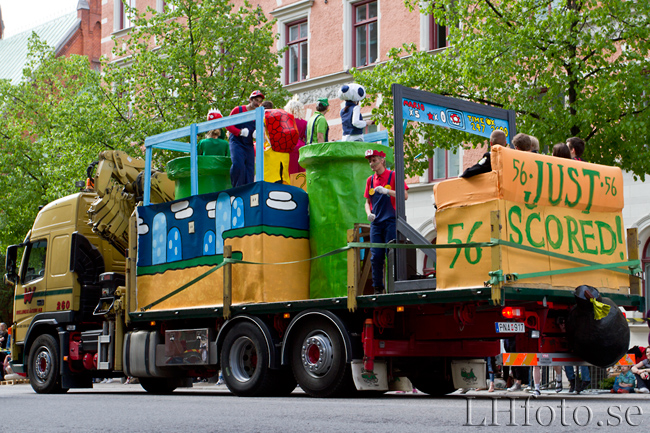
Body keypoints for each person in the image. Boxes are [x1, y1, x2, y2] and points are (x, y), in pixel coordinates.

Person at [364, 149, 409, 294]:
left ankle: (395, 286)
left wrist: (387, 191)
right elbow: (366, 201)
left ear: (382, 160)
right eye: (370, 161)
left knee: (392, 254)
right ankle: (378, 287)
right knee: (376, 255)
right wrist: (368, 213)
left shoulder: (394, 176)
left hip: (390, 221)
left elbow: (405, 196)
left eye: (374, 160)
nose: (372, 164)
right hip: (376, 223)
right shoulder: (370, 180)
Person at [226, 90, 265, 187]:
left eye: (259, 101)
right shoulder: (238, 110)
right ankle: (236, 188)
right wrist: (238, 132)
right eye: (256, 100)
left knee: (250, 168)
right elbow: (227, 124)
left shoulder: (258, 115)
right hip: (236, 142)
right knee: (238, 164)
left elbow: (262, 129)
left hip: (248, 144)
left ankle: (248, 190)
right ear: (250, 99)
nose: (257, 103)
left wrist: (258, 133)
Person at [285, 99, 308, 189]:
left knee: (291, 172)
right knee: (302, 172)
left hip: (290, 147)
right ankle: (302, 190)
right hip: (301, 147)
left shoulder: (286, 121)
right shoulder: (304, 122)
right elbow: (306, 137)